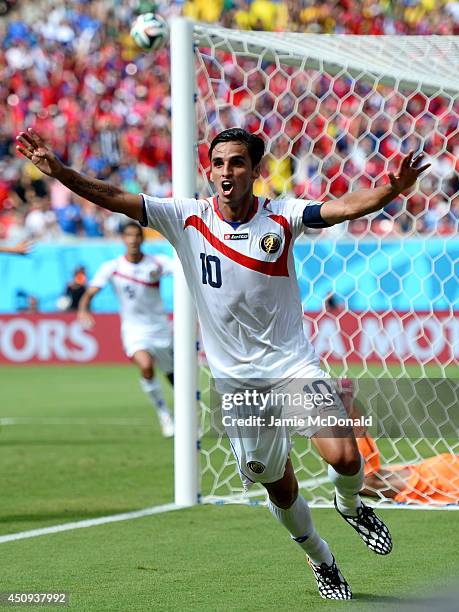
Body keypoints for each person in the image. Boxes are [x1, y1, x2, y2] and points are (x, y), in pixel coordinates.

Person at [16, 126, 429, 600]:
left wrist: (392, 190)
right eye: (217, 163)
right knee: (278, 487)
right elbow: (112, 196)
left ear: (255, 170)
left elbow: (340, 208)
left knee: (345, 456)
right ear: (209, 171)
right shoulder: (185, 217)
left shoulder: (282, 216)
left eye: (236, 162)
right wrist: (62, 172)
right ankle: (321, 557)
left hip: (292, 365)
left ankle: (350, 503)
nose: (225, 171)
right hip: (238, 384)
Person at [77, 221, 175, 438]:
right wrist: (83, 310)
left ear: (142, 238)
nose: (133, 240)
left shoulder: (157, 263)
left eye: (136, 235)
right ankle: (164, 415)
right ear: (123, 239)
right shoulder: (112, 267)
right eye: (128, 236)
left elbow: (181, 269)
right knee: (146, 366)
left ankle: (189, 417)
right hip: (134, 331)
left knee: (174, 377)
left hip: (160, 329)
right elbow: (90, 293)